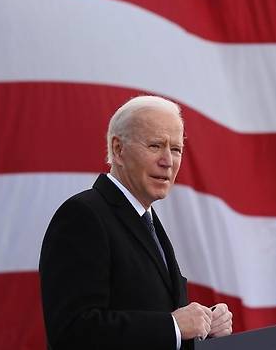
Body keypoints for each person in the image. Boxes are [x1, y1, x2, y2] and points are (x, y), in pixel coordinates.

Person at [39, 95, 233, 349]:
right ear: (118, 149)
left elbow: (153, 312)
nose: (168, 161)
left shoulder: (148, 223)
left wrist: (203, 327)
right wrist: (173, 326)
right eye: (155, 146)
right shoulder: (82, 216)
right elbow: (72, 332)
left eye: (176, 149)